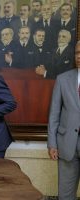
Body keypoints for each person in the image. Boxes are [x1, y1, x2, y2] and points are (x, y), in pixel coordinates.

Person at [47, 41, 80, 200]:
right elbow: (54, 114)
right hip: (67, 146)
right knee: (65, 196)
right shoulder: (63, 79)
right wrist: (52, 143)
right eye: (77, 53)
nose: (79, 57)